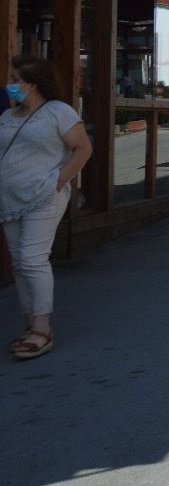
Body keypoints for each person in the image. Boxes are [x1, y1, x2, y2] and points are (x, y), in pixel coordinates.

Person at [1, 57, 92, 360]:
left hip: (43, 196)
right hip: (10, 198)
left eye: (15, 79)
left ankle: (42, 329)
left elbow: (83, 149)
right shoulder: (8, 116)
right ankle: (31, 325)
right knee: (18, 262)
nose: (9, 85)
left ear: (32, 83)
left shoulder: (58, 112)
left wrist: (58, 181)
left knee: (31, 259)